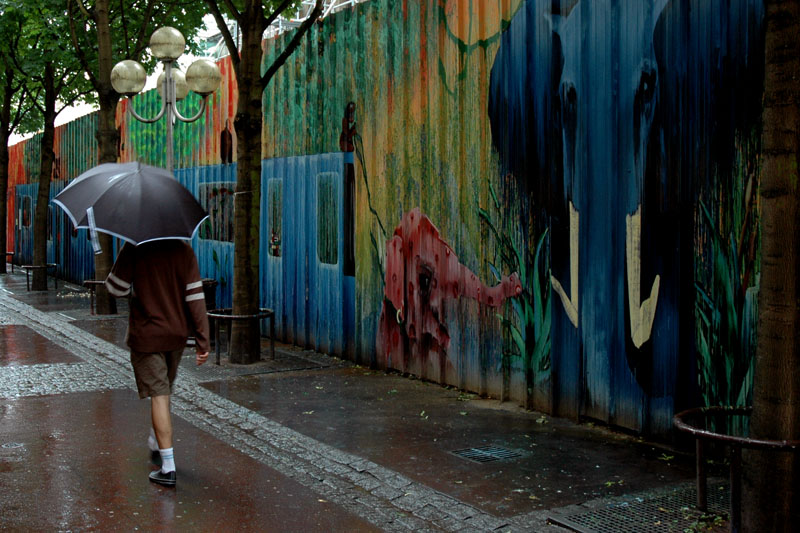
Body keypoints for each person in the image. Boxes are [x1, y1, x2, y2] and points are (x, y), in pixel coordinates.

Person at [105, 240, 210, 487]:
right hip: (176, 335)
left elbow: (115, 288)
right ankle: (155, 439)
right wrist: (203, 340)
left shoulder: (134, 247)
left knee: (159, 395)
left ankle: (168, 468)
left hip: (147, 335)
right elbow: (195, 295)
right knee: (163, 391)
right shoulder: (184, 250)